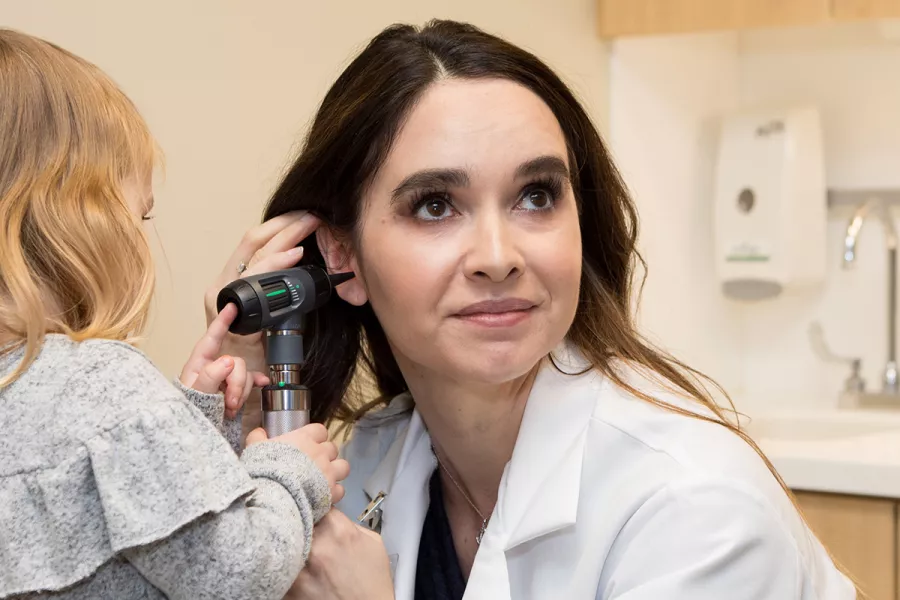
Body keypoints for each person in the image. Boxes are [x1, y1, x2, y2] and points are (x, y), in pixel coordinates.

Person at [209, 20, 858, 600]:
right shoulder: (376, 459)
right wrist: (224, 421)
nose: (498, 255)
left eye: (537, 195)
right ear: (342, 257)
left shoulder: (696, 509)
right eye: (436, 204)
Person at [0, 29, 350, 600]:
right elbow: (235, 573)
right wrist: (288, 472)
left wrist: (186, 418)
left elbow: (105, 517)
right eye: (140, 216)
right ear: (82, 220)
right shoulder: (102, 382)